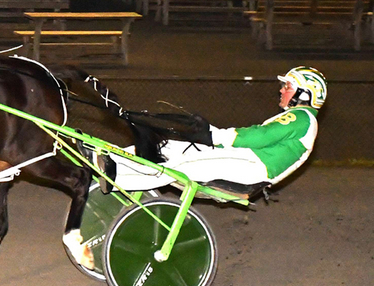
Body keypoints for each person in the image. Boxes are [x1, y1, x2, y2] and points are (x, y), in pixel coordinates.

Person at [97, 66, 327, 196]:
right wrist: (213, 136)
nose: (282, 90)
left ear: (304, 94)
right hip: (246, 161)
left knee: (180, 167)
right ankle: (112, 156)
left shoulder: (302, 118)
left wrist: (215, 135)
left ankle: (119, 177)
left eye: (288, 87)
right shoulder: (301, 120)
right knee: (169, 147)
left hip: (253, 167)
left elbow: (260, 137)